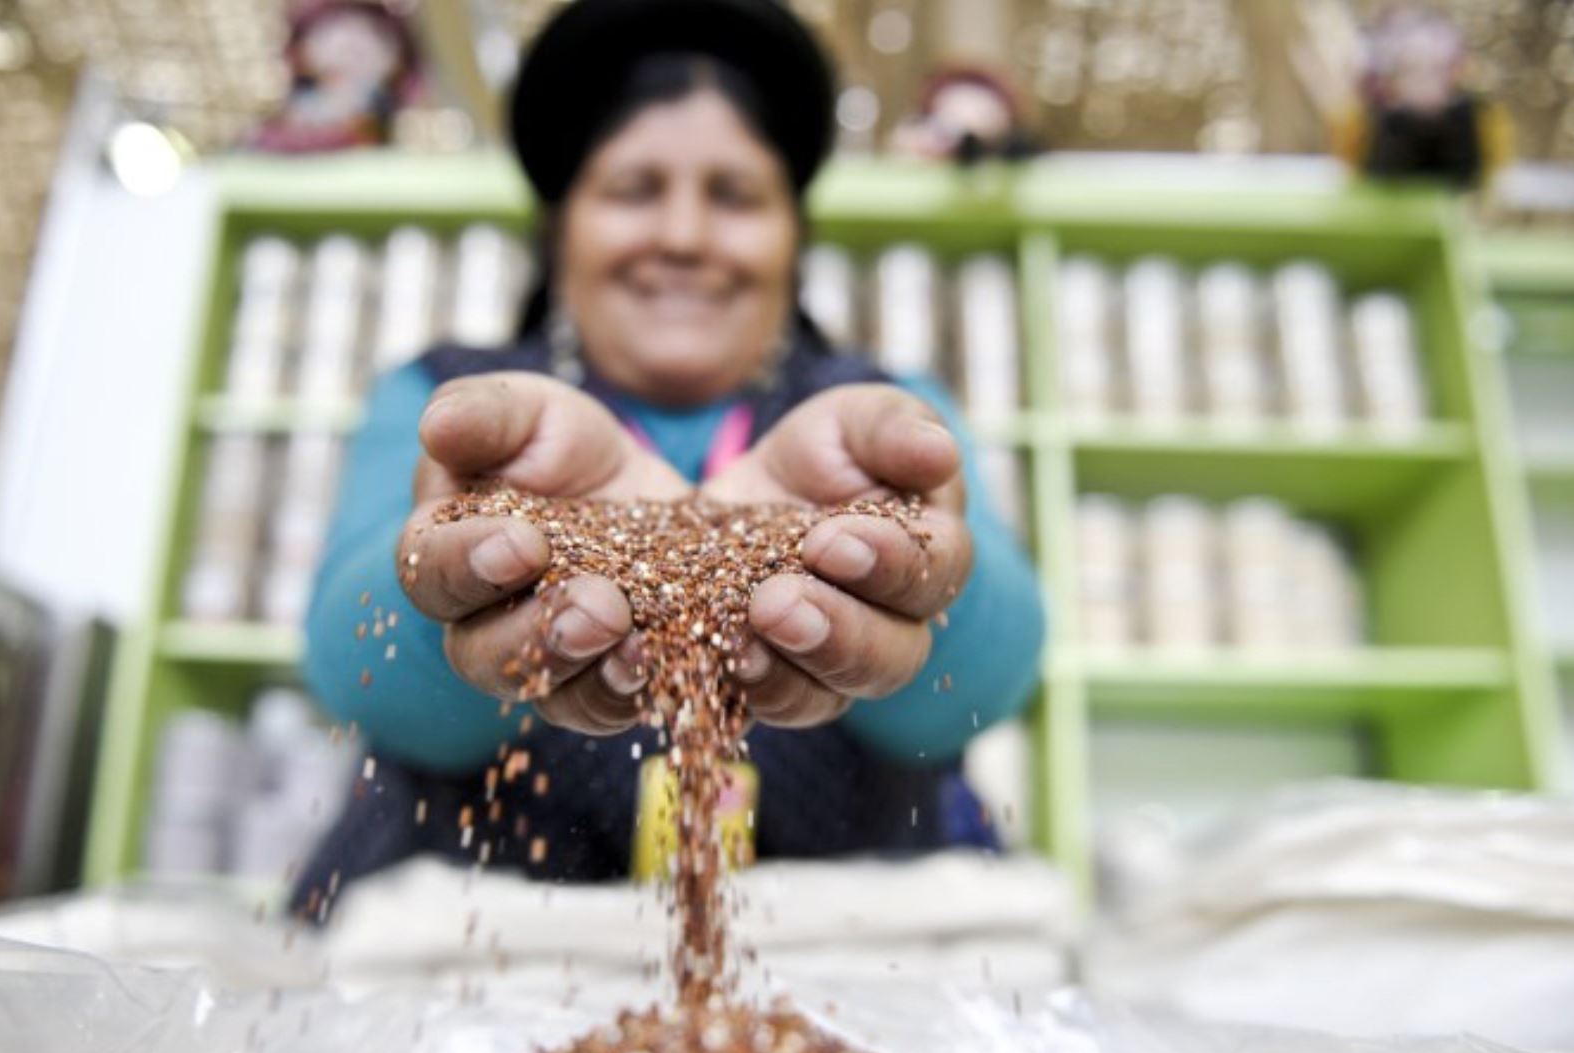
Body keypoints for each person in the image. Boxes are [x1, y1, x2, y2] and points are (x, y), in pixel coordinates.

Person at [292, 0, 1044, 916]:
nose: (684, 236)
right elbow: (351, 670)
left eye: (735, 196)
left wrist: (907, 570)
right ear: (561, 227)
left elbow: (993, 681)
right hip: (478, 959)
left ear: (791, 238)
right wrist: (475, 556)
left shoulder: (878, 420)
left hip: (841, 965)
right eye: (632, 191)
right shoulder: (456, 403)